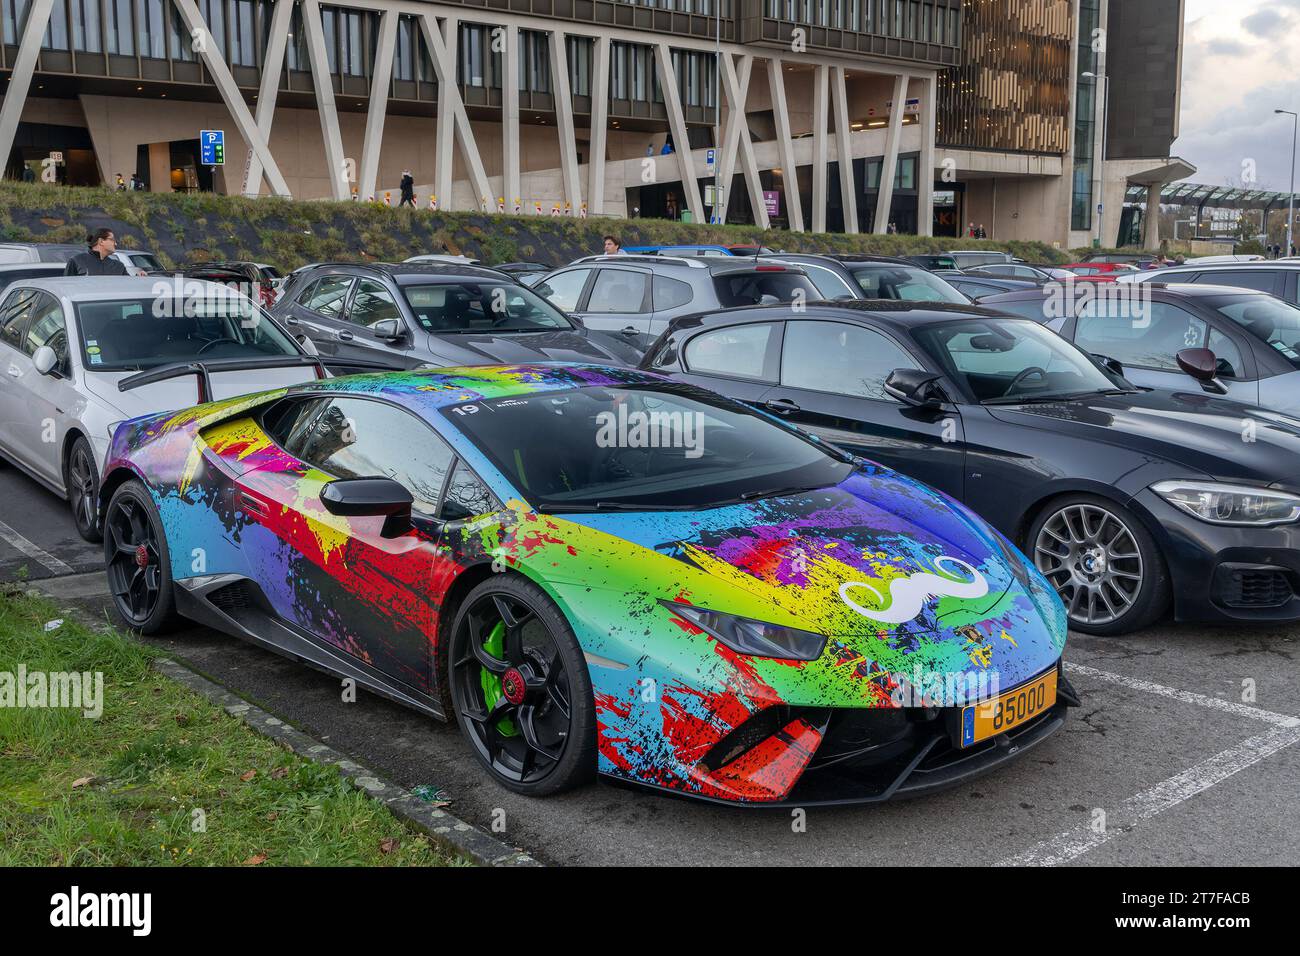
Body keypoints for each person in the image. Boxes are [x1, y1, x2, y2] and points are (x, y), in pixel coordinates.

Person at [63, 228, 128, 276]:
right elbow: (66, 286)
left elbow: (128, 286)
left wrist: (137, 277)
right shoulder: (77, 261)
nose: (115, 244)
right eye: (112, 240)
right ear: (101, 241)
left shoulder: (118, 266)